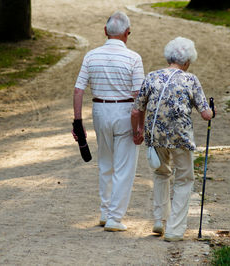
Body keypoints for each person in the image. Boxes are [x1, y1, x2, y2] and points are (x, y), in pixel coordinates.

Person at [131, 37, 213, 242]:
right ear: (187, 62)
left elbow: (136, 110)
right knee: (184, 180)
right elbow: (205, 114)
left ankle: (159, 219)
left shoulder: (152, 77)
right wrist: (211, 111)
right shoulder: (190, 79)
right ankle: (175, 230)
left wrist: (139, 130)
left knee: (161, 173)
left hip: (155, 136)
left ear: (169, 57)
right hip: (180, 137)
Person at [72, 11, 144, 232]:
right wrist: (140, 126)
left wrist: (78, 122)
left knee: (105, 163)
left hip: (100, 110)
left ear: (105, 31)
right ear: (127, 33)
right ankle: (114, 217)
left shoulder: (91, 56)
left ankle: (105, 212)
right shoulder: (134, 58)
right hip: (125, 110)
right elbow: (139, 95)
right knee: (124, 167)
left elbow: (78, 90)